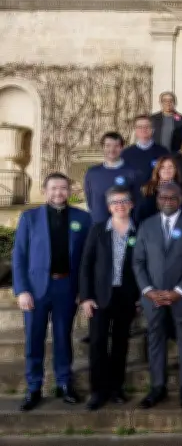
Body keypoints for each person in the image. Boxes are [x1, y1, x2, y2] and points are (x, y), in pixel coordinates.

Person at [13, 173, 92, 412]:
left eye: (63, 188)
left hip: (66, 288)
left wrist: (83, 290)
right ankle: (34, 387)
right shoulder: (29, 218)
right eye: (54, 188)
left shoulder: (82, 218)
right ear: (45, 191)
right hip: (36, 290)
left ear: (69, 190)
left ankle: (64, 384)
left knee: (62, 338)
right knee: (34, 340)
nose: (58, 193)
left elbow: (87, 260)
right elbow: (19, 257)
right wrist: (22, 290)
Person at [132, 183, 182, 409]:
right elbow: (138, 262)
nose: (167, 201)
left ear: (181, 200)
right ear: (157, 199)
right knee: (155, 340)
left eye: (173, 198)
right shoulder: (146, 225)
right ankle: (158, 387)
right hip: (153, 296)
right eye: (163, 197)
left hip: (181, 296)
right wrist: (148, 290)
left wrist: (178, 291)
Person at [79, 185, 140, 411]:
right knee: (97, 344)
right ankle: (98, 391)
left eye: (124, 201)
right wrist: (85, 297)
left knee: (120, 344)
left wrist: (139, 297)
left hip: (126, 297)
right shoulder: (97, 230)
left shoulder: (138, 231)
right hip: (99, 297)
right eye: (115, 202)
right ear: (108, 207)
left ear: (131, 204)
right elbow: (85, 265)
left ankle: (116, 388)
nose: (120, 205)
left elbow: (141, 267)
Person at [84, 132, 138, 223]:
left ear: (122, 148)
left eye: (116, 146)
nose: (112, 149)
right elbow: (89, 200)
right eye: (108, 145)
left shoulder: (132, 172)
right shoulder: (92, 173)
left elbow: (136, 201)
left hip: (123, 225)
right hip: (98, 226)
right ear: (102, 147)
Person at [135, 155, 182, 223]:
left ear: (176, 170)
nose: (167, 170)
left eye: (170, 167)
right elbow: (140, 213)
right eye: (162, 167)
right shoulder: (147, 189)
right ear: (158, 170)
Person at [121, 115, 169, 184]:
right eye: (140, 127)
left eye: (147, 126)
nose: (143, 129)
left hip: (157, 193)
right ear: (135, 130)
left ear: (153, 130)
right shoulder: (125, 153)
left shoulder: (163, 152)